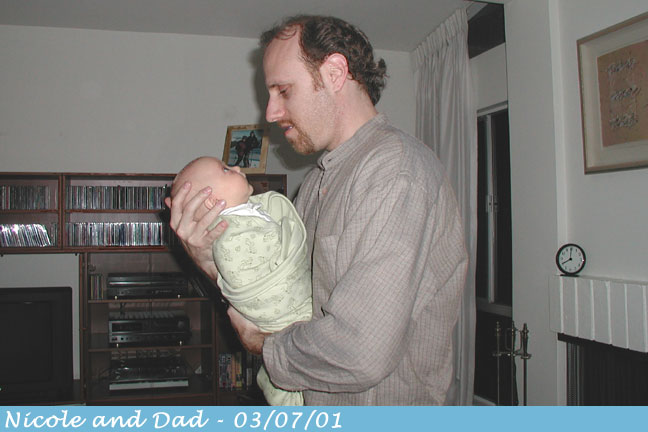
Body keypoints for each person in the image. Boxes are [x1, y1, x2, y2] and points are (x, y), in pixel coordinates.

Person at [166, 15, 468, 405]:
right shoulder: (315, 184)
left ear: (335, 73)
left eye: (283, 91)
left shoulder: (396, 173)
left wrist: (265, 346)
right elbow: (279, 292)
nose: (270, 113)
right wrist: (208, 257)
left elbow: (360, 352)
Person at [169, 156, 311, 406]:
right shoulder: (233, 235)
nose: (236, 167)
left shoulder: (252, 213)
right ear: (212, 201)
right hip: (289, 320)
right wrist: (208, 262)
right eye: (225, 170)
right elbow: (247, 278)